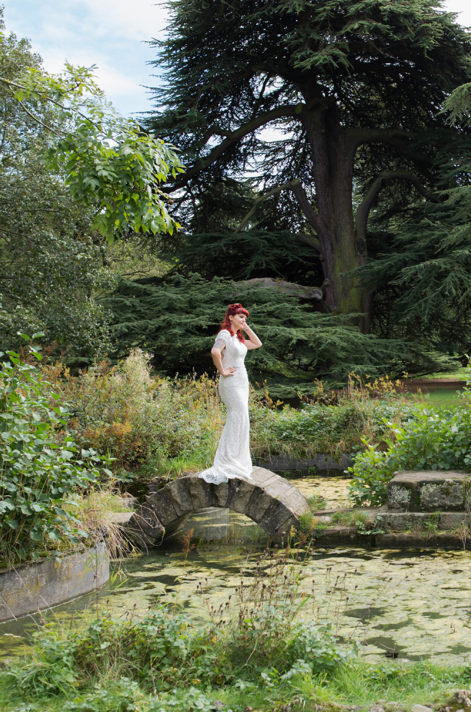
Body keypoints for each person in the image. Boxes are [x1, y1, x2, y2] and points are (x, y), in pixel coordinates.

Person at [198, 303, 262, 485]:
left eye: (245, 318)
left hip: (242, 382)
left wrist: (246, 327)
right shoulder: (225, 334)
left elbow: (257, 343)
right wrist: (222, 370)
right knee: (237, 415)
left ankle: (237, 459)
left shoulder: (238, 339)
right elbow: (215, 351)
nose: (243, 320)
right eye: (241, 317)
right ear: (231, 317)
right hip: (231, 381)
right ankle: (227, 461)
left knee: (243, 417)